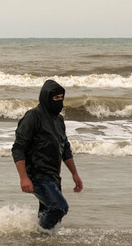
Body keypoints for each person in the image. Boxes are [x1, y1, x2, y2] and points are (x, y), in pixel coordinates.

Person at [11, 79, 83, 230]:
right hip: (37, 175)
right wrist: (24, 177)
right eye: (56, 98)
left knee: (50, 218)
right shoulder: (33, 117)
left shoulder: (59, 120)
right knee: (59, 207)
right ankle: (37, 234)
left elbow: (65, 149)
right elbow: (18, 148)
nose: (59, 102)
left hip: (53, 176)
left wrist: (75, 174)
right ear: (46, 98)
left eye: (61, 98)